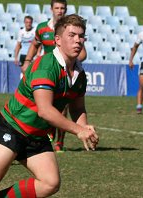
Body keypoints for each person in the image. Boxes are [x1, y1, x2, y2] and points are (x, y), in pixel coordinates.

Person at [0, 14, 99, 197]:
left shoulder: (79, 74)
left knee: (50, 183)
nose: (78, 40)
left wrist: (84, 126)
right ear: (57, 40)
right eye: (72, 35)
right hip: (12, 127)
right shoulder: (46, 65)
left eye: (81, 36)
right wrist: (77, 130)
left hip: (37, 135)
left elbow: (77, 108)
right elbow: (45, 111)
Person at [23, 0, 87, 152]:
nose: (60, 11)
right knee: (44, 107)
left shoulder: (73, 31)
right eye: (57, 8)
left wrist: (70, 62)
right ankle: (45, 130)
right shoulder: (42, 28)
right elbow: (35, 45)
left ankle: (59, 141)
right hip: (46, 73)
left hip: (63, 74)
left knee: (62, 107)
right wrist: (27, 60)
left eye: (62, 8)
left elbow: (83, 54)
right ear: (51, 9)